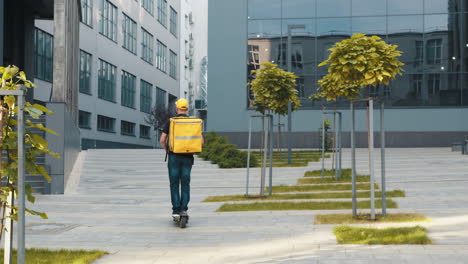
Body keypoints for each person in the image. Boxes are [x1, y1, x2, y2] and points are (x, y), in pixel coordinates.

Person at [159, 99, 201, 218]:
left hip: (174, 157)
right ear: (187, 109)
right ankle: (184, 210)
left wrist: (167, 150)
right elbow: (201, 141)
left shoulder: (171, 122)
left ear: (177, 109)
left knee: (174, 184)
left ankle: (176, 210)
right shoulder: (193, 122)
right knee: (185, 184)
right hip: (188, 157)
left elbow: (162, 140)